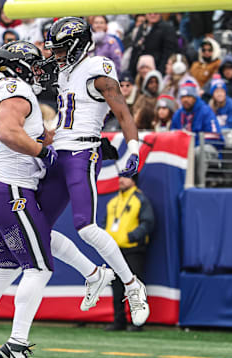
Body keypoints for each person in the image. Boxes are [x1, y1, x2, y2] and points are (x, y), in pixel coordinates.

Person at [0, 41, 115, 358]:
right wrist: (42, 152)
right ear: (20, 67)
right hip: (14, 193)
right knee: (38, 267)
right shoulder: (16, 90)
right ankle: (17, 344)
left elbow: (27, 132)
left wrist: (73, 139)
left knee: (8, 266)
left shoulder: (5, 91)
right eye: (34, 64)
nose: (40, 69)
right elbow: (10, 132)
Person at [43, 17, 150, 325]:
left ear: (77, 46)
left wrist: (133, 147)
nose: (57, 54)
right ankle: (92, 275)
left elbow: (121, 110)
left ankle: (132, 285)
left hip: (82, 151)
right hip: (57, 152)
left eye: (62, 49)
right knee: (36, 228)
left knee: (85, 226)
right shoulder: (63, 73)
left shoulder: (97, 67)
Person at [100, 173, 154, 331]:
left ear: (133, 180)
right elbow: (105, 223)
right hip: (114, 251)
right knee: (116, 288)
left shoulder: (140, 199)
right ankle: (119, 320)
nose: (121, 180)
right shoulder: (113, 202)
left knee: (135, 286)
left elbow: (148, 222)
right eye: (120, 177)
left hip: (133, 250)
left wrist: (132, 237)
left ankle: (138, 322)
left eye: (126, 177)